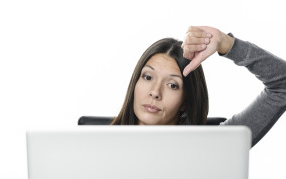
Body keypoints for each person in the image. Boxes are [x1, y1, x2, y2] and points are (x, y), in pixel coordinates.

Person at [111, 26, 286, 147]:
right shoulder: (95, 146)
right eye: (148, 77)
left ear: (185, 102)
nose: (155, 92)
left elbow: (282, 85)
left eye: (172, 85)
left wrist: (227, 44)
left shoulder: (212, 147)